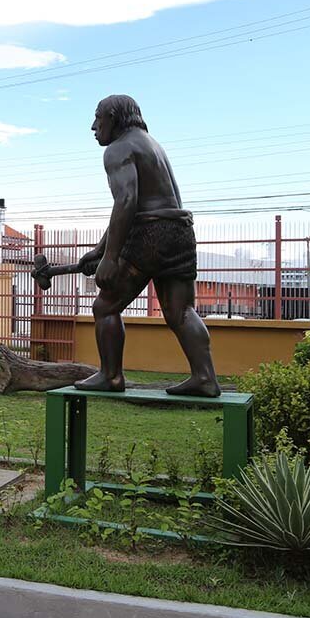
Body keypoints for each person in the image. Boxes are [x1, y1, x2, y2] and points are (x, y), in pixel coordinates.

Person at [74, 95, 221, 397]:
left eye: (97, 117)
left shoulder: (118, 149)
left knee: (105, 306)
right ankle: (205, 377)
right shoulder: (150, 144)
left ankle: (111, 376)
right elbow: (135, 205)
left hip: (151, 233)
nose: (93, 126)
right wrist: (100, 249)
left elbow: (126, 201)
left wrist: (111, 258)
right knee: (181, 311)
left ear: (113, 117)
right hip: (180, 229)